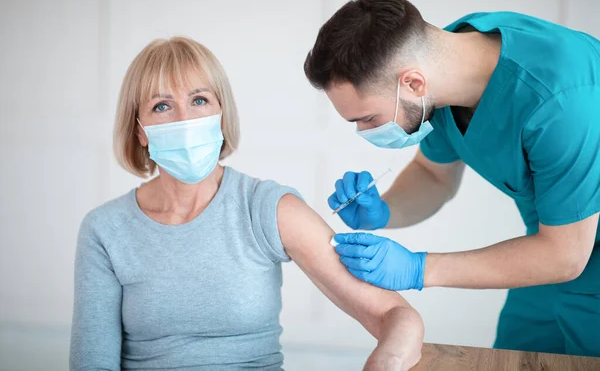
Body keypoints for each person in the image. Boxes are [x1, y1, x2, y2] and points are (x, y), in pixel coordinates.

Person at [69, 36, 423, 371]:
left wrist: (387, 360)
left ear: (222, 114)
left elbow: (394, 314)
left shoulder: (268, 208)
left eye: (199, 100)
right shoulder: (105, 230)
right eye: (162, 106)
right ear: (140, 131)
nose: (185, 120)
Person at [303, 0, 600, 356]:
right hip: (545, 254)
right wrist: (383, 210)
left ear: (413, 84)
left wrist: (418, 269)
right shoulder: (442, 66)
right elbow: (433, 176)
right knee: (517, 358)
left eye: (367, 118)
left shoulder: (559, 101)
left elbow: (565, 256)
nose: (365, 132)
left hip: (571, 254)